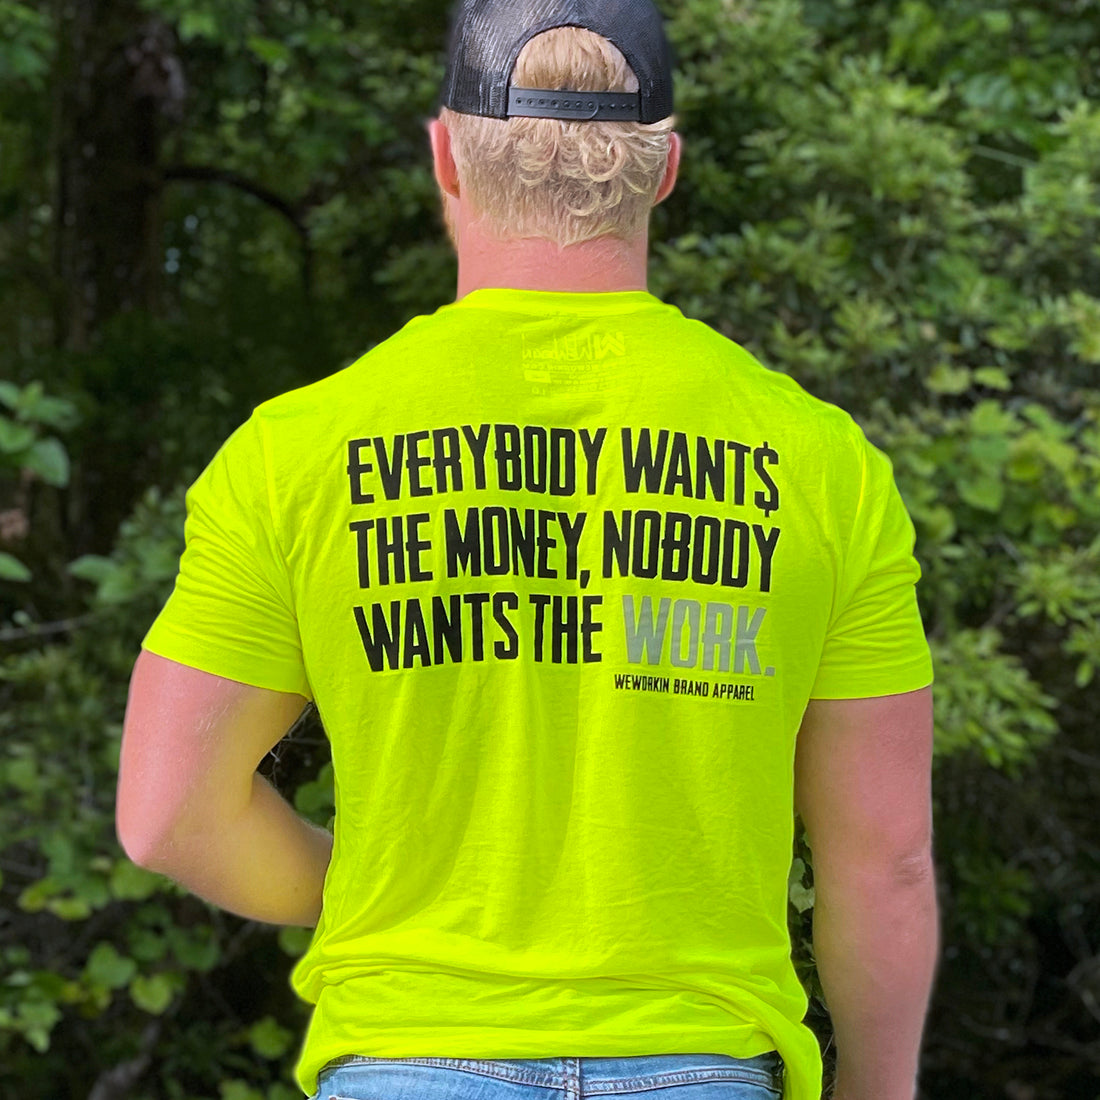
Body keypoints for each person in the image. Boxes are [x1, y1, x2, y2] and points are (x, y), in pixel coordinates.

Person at [116, 2, 939, 1099]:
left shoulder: (296, 454)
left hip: (406, 1058)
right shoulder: (821, 465)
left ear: (446, 154)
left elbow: (168, 813)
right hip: (699, 1062)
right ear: (664, 168)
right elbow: (880, 859)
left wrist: (381, 886)